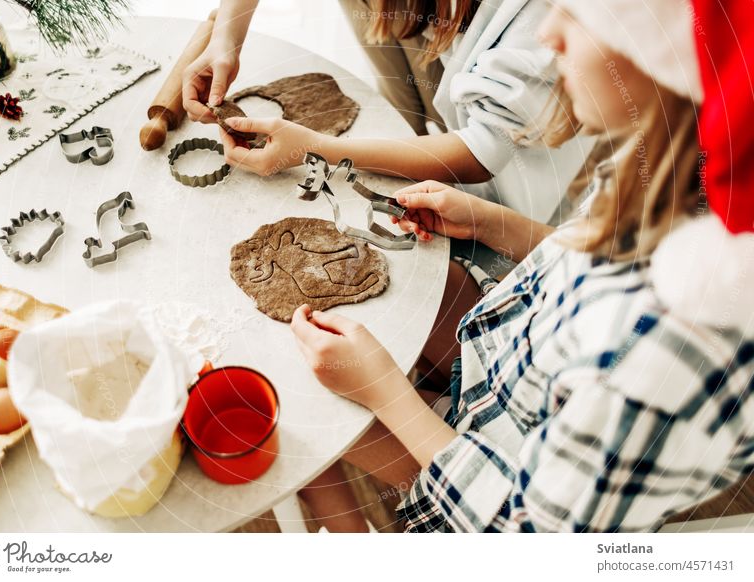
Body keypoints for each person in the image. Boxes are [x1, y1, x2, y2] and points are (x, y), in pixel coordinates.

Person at [289, 0, 754, 532]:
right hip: (502, 380)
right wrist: (491, 222)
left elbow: (523, 529)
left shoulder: (669, 352)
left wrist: (386, 390)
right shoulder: (674, 170)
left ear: (663, 53)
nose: (548, 33)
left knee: (301, 421)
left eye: (580, 17)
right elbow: (590, 260)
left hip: (484, 485)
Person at [183, 0, 595, 271]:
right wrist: (227, 38)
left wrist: (323, 149)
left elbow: (484, 149)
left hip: (527, 150)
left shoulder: (543, 23)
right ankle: (417, 130)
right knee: (411, 90)